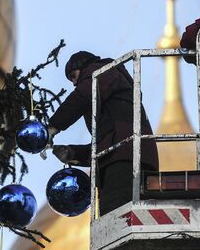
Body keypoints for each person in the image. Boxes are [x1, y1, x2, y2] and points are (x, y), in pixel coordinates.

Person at [48, 51, 159, 215]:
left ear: (84, 66)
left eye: (73, 76)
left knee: (118, 219)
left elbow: (82, 96)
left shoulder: (101, 72)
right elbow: (108, 143)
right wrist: (73, 152)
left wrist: (53, 126)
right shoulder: (115, 102)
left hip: (124, 164)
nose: (74, 83)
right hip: (131, 158)